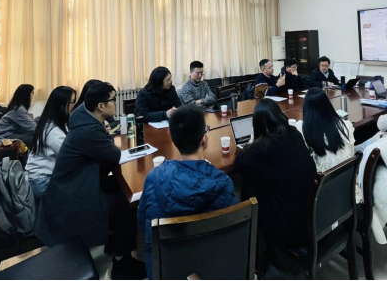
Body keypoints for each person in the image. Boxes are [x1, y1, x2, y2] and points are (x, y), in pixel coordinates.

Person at [35, 83, 145, 280]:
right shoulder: (88, 130)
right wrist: (107, 134)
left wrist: (105, 132)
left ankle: (114, 242)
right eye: (112, 100)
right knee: (127, 203)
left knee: (120, 189)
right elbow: (114, 155)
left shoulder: (83, 117)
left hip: (77, 183)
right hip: (72, 195)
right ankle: (122, 261)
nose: (115, 102)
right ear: (100, 106)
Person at [138, 106, 237, 279]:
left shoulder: (153, 178)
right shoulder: (223, 183)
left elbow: (142, 225)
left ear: (173, 139)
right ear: (205, 139)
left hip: (165, 271)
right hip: (213, 270)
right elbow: (233, 232)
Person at [234, 99, 316, 248]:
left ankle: (253, 236)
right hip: (308, 212)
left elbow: (239, 164)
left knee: (247, 183)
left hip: (288, 226)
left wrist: (251, 143)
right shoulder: (294, 132)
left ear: (258, 124)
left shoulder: (263, 147)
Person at [26, 86, 77, 201]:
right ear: (61, 105)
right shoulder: (52, 131)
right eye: (71, 102)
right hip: (41, 182)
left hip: (42, 177)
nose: (73, 106)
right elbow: (71, 155)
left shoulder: (55, 123)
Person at [296, 88, 356, 173]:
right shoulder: (345, 125)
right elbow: (351, 152)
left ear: (307, 109)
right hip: (348, 176)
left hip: (324, 179)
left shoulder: (303, 130)